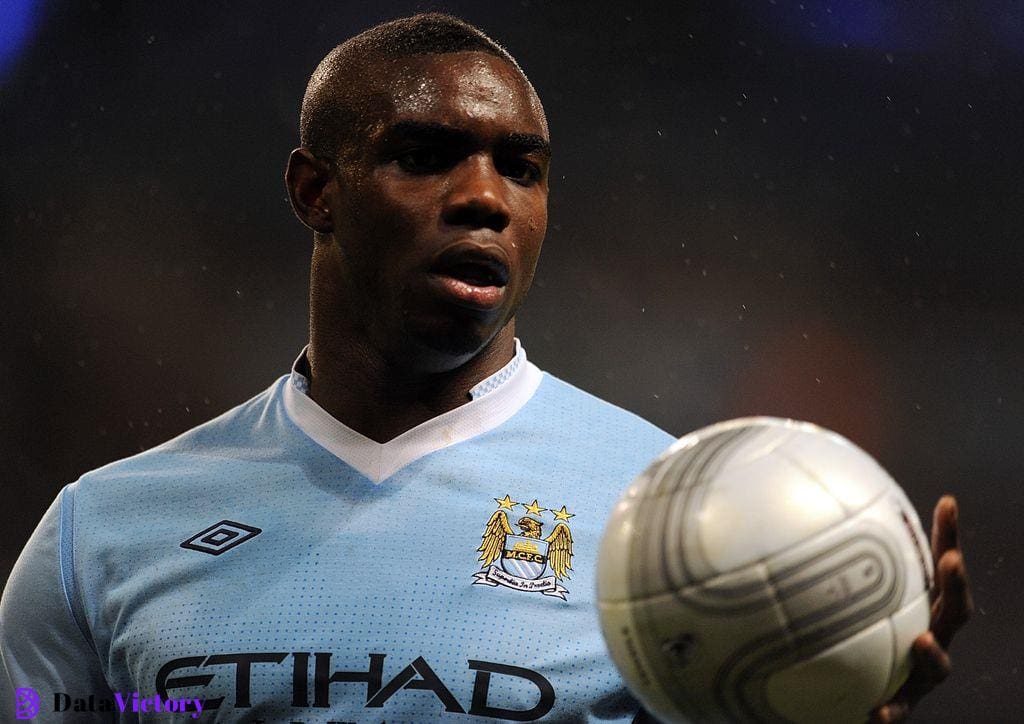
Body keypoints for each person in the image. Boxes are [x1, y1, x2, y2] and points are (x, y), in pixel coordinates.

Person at [0, 13, 969, 723]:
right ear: (314, 191)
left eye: (522, 167)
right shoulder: (104, 536)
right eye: (425, 156)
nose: (483, 197)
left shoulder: (676, 523)